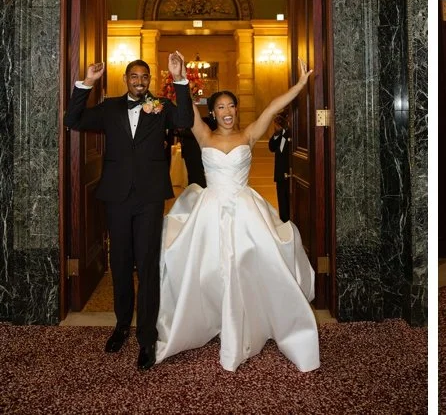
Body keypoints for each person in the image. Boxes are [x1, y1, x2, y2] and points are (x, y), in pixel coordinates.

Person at [156, 63, 320, 372]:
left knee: (246, 265)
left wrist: (299, 86)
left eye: (231, 105)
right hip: (210, 210)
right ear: (213, 113)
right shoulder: (204, 135)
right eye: (221, 107)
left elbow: (271, 108)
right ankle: (214, 319)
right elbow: (187, 108)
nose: (227, 111)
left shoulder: (249, 134)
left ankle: (250, 319)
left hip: (245, 211)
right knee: (209, 268)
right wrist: (179, 78)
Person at [64, 54, 194, 370]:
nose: (139, 81)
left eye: (144, 77)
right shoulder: (109, 108)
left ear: (149, 80)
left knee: (147, 265)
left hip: (150, 197)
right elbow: (73, 120)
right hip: (117, 196)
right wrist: (87, 83)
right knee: (120, 263)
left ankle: (147, 337)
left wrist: (180, 79)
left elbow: (186, 121)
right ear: (126, 79)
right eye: (134, 76)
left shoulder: (160, 106)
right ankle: (122, 325)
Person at [269, 110, 293, 222]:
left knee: (291, 207)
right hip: (280, 175)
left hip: (290, 175)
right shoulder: (280, 133)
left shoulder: (293, 132)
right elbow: (272, 147)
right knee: (283, 207)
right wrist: (276, 133)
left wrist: (287, 128)